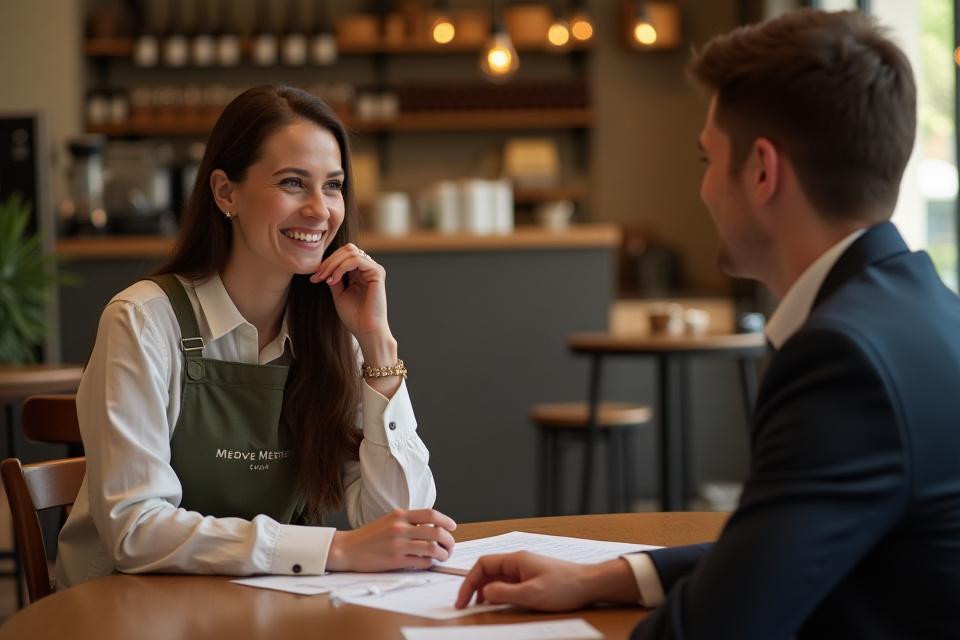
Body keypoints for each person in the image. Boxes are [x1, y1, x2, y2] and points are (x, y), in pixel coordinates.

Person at [455, 10, 960, 638]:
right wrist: (600, 577)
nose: (703, 190)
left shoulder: (843, 357)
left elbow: (717, 627)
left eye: (706, 159)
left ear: (763, 171)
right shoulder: (926, 311)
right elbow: (776, 545)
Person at [56, 86, 455, 589]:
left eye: (332, 186)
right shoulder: (142, 321)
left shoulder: (333, 333)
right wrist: (335, 548)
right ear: (226, 193)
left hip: (262, 605)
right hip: (120, 607)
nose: (319, 210)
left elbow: (404, 522)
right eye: (293, 183)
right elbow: (136, 530)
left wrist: (379, 344)